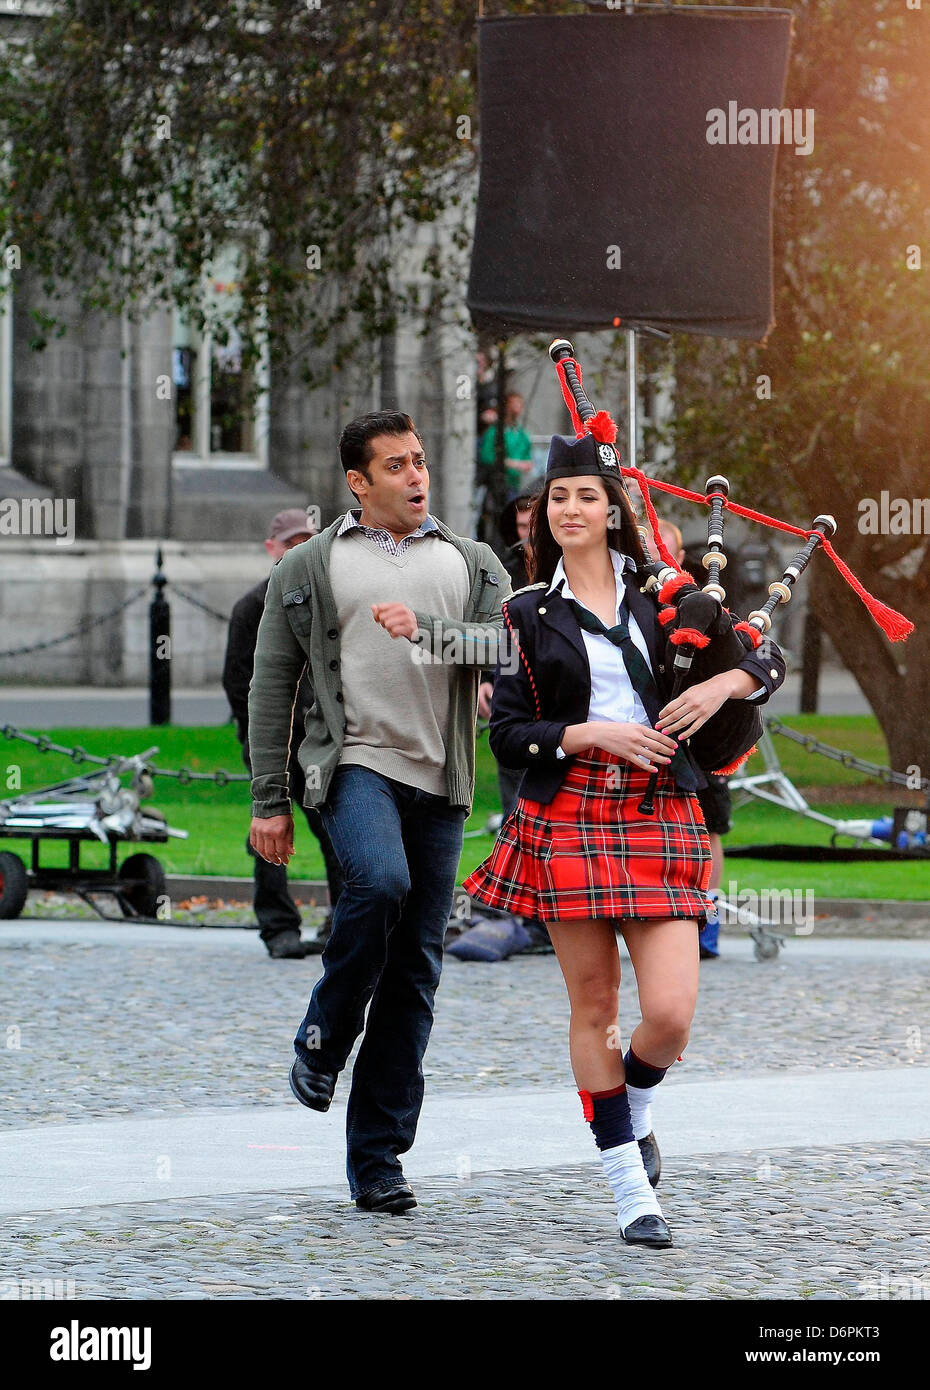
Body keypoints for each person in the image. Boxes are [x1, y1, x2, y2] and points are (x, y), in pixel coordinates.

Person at [462, 432, 785, 1247]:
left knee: (670, 1016)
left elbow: (766, 660)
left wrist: (718, 684)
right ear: (545, 514)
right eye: (558, 498)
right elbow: (508, 733)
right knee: (597, 1007)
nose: (570, 510)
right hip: (568, 814)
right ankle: (630, 1191)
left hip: (659, 816)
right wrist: (593, 734)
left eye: (587, 497)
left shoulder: (669, 600)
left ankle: (633, 1108)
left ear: (614, 512)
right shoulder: (525, 613)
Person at [247, 411, 511, 1214]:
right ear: (357, 482)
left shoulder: (471, 561)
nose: (415, 476)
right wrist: (269, 802)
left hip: (441, 784)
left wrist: (426, 632)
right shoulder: (309, 565)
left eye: (420, 461)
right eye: (396, 466)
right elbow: (271, 687)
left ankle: (377, 1161)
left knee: (415, 973)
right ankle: (323, 1034)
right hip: (355, 763)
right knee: (380, 884)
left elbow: (502, 649)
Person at [222, 508, 345, 960]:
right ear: (272, 547)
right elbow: (237, 682)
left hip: (318, 740)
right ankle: (277, 926)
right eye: (290, 542)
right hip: (272, 742)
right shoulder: (251, 608)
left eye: (305, 541)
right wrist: (260, 741)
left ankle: (340, 923)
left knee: (334, 830)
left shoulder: (328, 600)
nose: (298, 550)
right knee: (269, 829)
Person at [651, 519, 730, 960]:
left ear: (679, 558)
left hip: (701, 736)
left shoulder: (701, 602)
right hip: (651, 732)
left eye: (659, 546)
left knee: (710, 826)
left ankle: (708, 920)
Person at [478, 391, 534, 498]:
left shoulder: (522, 434)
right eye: (513, 404)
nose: (517, 408)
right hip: (494, 484)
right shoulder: (494, 432)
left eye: (520, 404)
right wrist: (513, 464)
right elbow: (487, 457)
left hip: (514, 484)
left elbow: (527, 456)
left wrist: (525, 464)